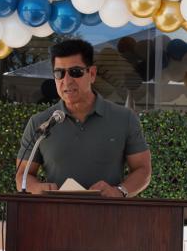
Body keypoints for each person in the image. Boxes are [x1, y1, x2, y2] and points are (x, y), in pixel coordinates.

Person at [15, 39, 151, 197]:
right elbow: (23, 176)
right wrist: (37, 189)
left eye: (75, 72)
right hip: (54, 217)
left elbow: (143, 169)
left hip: (109, 216)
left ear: (92, 74)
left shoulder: (124, 119)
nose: (66, 81)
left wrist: (120, 191)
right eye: (59, 73)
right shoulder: (40, 123)